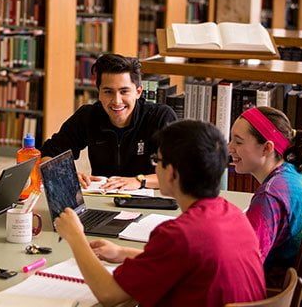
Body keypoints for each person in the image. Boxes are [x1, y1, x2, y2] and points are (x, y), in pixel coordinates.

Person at [55, 120, 266, 307]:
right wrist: (123, 253)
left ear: (172, 172)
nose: (155, 168)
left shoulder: (178, 234)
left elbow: (109, 294)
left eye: (158, 161)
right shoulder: (233, 214)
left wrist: (76, 237)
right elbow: (185, 262)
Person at [40, 54, 177, 191]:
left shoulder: (160, 116)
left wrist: (138, 180)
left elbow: (178, 173)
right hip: (102, 199)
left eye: (124, 91)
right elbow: (48, 155)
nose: (117, 101)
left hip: (149, 200)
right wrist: (66, 175)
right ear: (99, 93)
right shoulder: (88, 116)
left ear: (138, 92)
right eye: (108, 92)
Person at [229, 106, 302, 286]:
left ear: (267, 148)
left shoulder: (270, 196)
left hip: (275, 298)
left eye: (238, 142)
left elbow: (243, 266)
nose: (230, 147)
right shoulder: (301, 173)